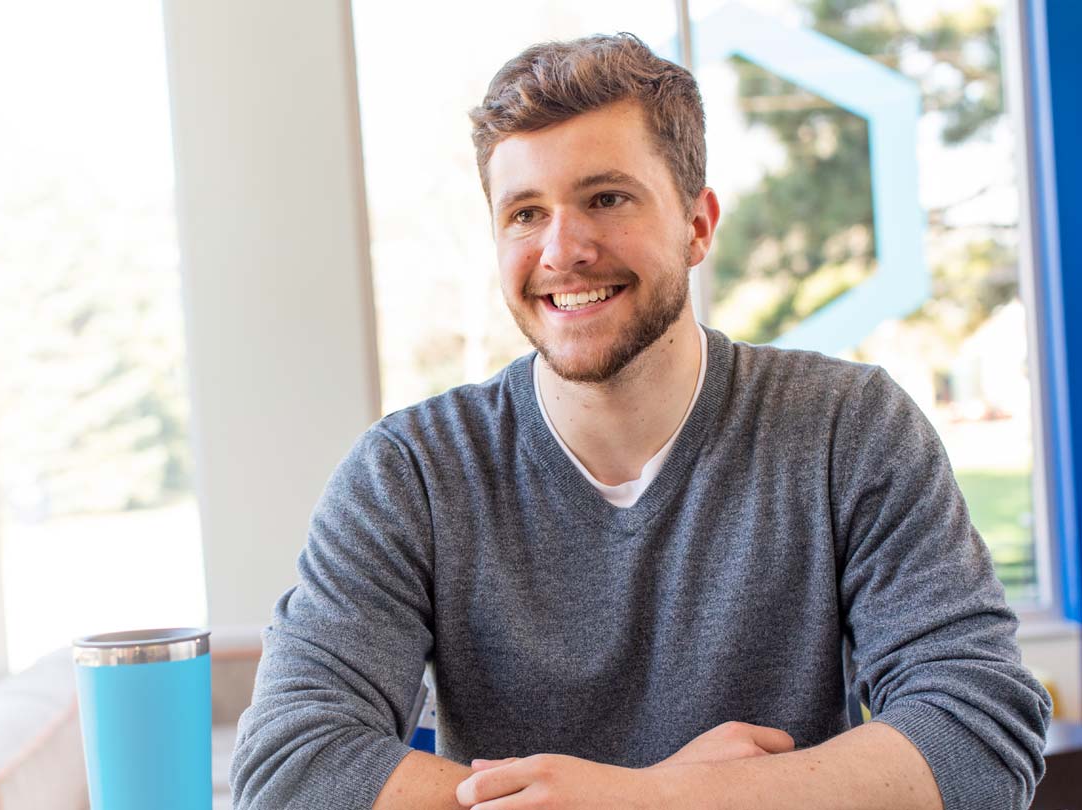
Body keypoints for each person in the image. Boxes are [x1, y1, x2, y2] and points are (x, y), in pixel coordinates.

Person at [229, 32, 1052, 810]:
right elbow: (290, 764)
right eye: (525, 213)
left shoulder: (849, 428)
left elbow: (979, 734)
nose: (562, 249)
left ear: (698, 225)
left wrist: (646, 796)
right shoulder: (410, 472)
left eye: (607, 197)